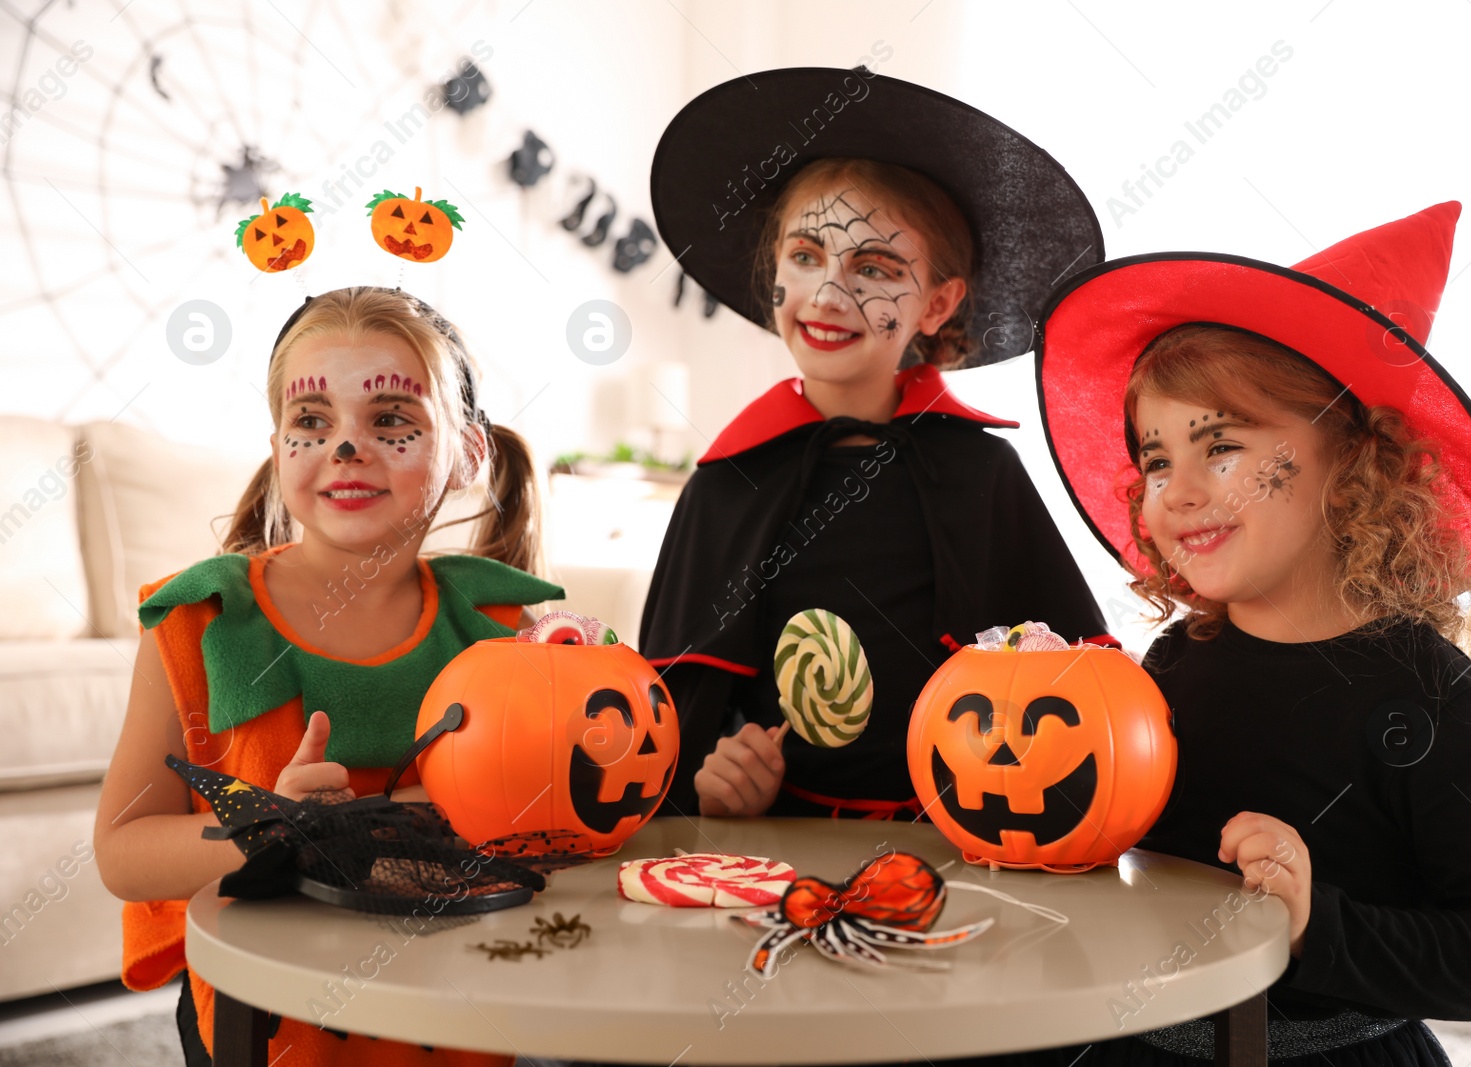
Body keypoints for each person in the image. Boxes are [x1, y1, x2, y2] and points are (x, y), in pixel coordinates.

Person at [1033, 203, 1471, 1063]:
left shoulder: (1427, 697)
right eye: (1156, 457)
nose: (1172, 490)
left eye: (1223, 447)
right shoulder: (1177, 661)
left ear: (1353, 461)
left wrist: (1318, 920)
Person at [93, 286, 560, 1067]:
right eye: (313, 422)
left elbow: (541, 831)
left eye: (391, 422)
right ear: (279, 448)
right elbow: (123, 851)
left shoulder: (503, 634)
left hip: (455, 1014)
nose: (347, 447)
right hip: (269, 1020)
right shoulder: (197, 621)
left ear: (470, 452)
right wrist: (282, 833)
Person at [642, 66, 1115, 821]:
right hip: (778, 855)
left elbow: (1072, 697)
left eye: (874, 268)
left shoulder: (982, 472)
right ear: (774, 275)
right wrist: (720, 778)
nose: (829, 295)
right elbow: (672, 720)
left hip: (959, 853)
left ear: (937, 303)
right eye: (805, 256)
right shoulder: (729, 481)